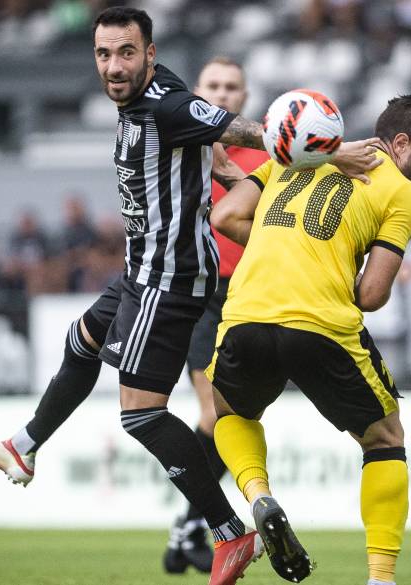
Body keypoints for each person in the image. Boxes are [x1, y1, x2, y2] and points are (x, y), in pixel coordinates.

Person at [0, 8, 380, 585]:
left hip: (168, 278)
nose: (114, 66)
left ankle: (228, 532)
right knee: (81, 342)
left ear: (150, 54)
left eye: (126, 53)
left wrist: (336, 153)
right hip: (141, 268)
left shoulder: (167, 104)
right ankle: (24, 445)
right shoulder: (143, 101)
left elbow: (250, 133)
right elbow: (213, 152)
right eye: (103, 54)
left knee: (141, 414)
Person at [207, 95, 411, 585]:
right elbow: (372, 294)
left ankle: (259, 497)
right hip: (319, 323)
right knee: (385, 440)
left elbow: (225, 216)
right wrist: (332, 263)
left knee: (230, 414)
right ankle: (381, 578)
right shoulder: (401, 192)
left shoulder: (294, 158)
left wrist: (287, 247)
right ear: (400, 144)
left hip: (247, 314)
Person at [161, 56, 270, 576]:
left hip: (251, 295)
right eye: (213, 86)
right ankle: (195, 526)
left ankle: (185, 530)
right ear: (197, 93)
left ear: (244, 98)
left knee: (234, 417)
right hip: (201, 294)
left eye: (232, 87)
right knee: (215, 414)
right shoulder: (184, 147)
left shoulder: (268, 154)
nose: (223, 94)